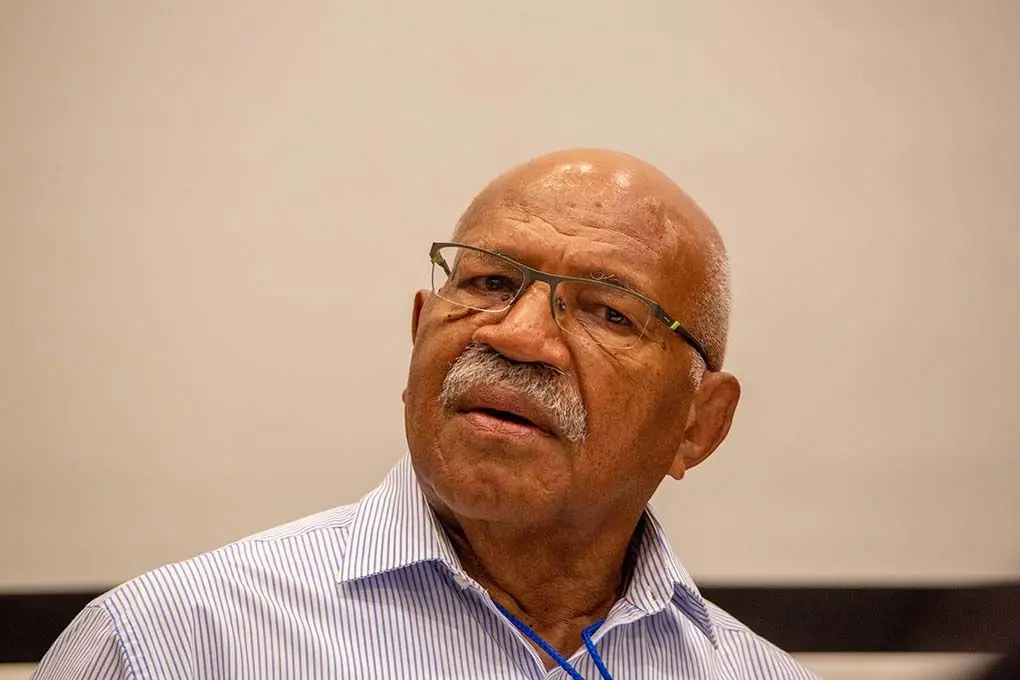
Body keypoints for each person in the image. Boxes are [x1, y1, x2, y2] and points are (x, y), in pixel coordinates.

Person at [34, 149, 819, 679]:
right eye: (485, 283)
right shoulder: (171, 650)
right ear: (418, 334)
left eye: (610, 313)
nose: (517, 337)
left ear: (699, 425)